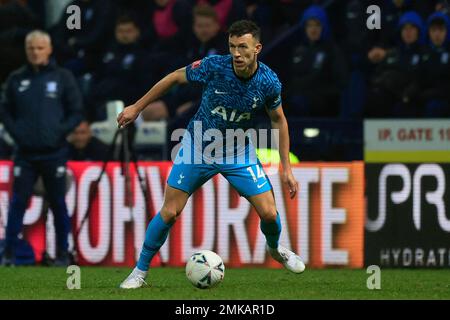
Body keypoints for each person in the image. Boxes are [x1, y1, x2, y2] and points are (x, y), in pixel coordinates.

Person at [117, 20, 305, 289]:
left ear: (258, 48)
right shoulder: (214, 67)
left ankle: (276, 250)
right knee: (170, 212)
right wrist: (136, 107)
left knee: (270, 215)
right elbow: (173, 78)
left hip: (237, 151)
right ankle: (139, 271)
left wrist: (286, 168)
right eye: (232, 47)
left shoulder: (268, 82)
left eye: (243, 47)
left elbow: (279, 120)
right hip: (198, 147)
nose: (237, 53)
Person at [0, 30, 83, 266]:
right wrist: (18, 133)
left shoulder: (63, 78)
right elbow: (4, 110)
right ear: (26, 51)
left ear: (49, 50)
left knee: (58, 202)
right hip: (25, 153)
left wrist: (58, 131)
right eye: (31, 48)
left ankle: (62, 254)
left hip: (54, 151)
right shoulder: (16, 79)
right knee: (18, 202)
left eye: (39, 48)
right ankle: (8, 254)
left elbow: (77, 111)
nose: (35, 52)